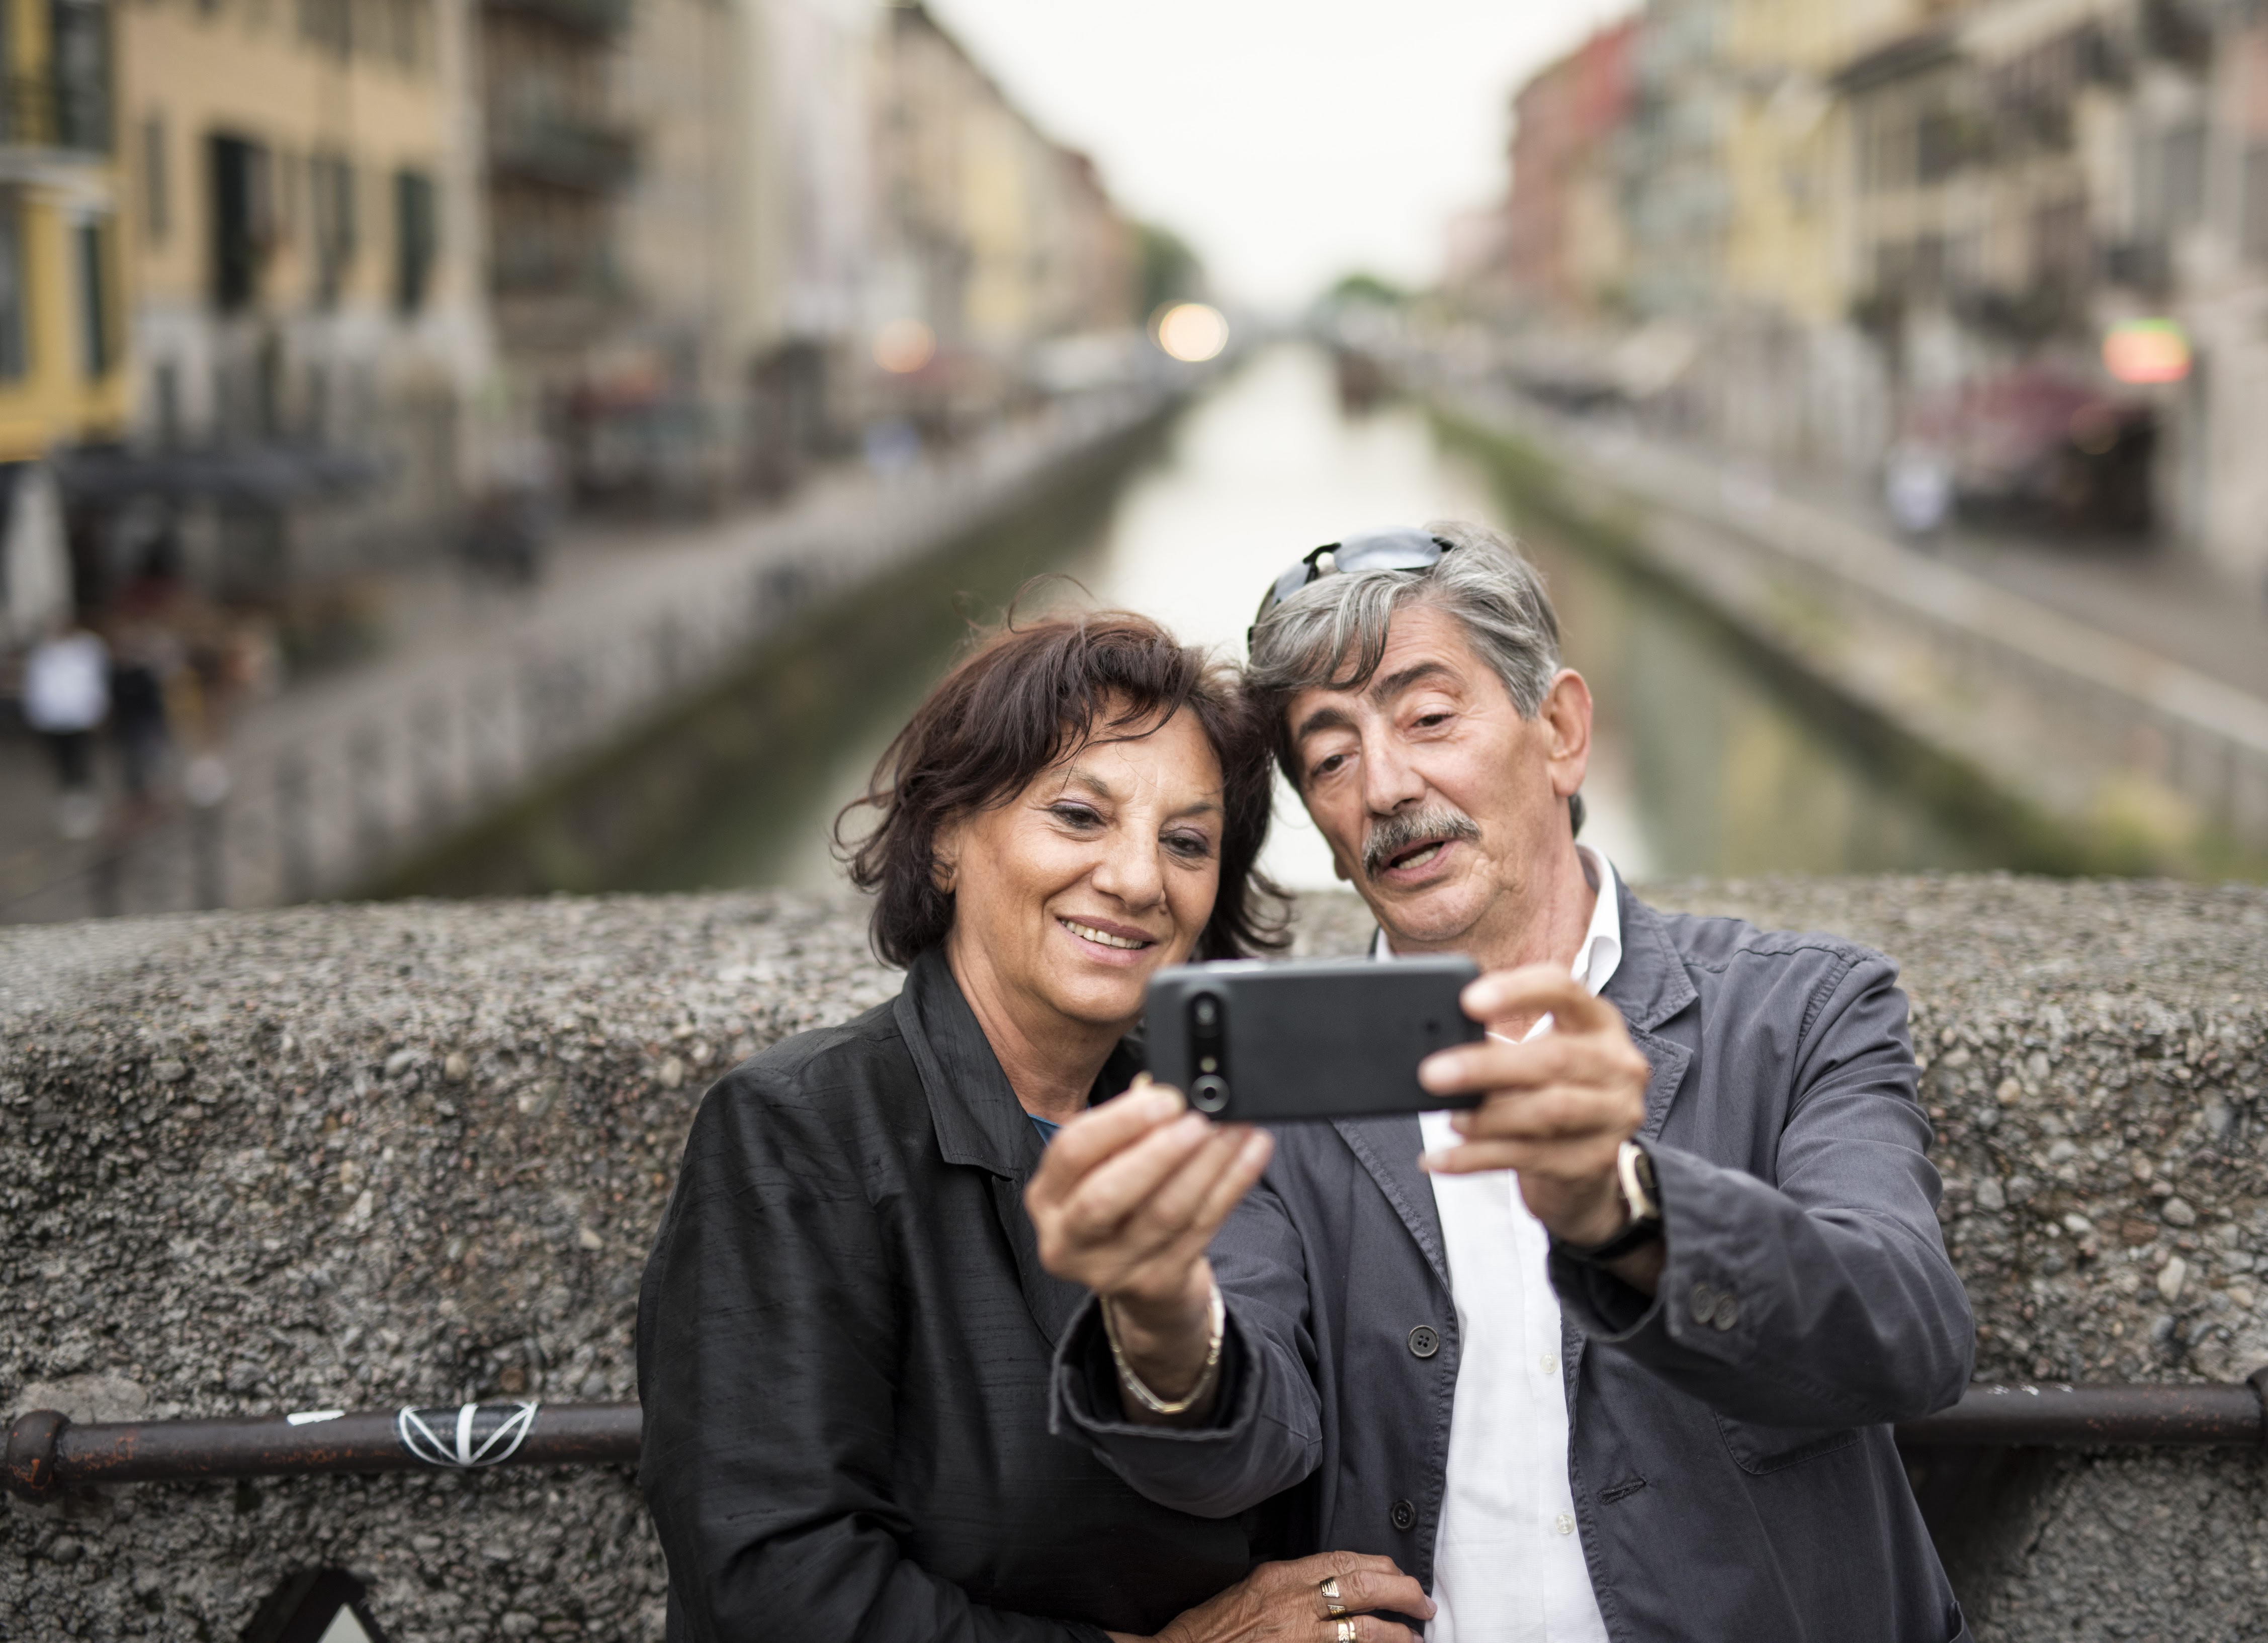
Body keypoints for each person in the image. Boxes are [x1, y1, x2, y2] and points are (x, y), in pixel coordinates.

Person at [1030, 526, 1977, 1641]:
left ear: (1562, 730)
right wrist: (1155, 1312)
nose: (1385, 785)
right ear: (1323, 836)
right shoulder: (1273, 1079)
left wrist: (1628, 1208)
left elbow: (1907, 1335)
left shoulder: (1803, 1008)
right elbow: (1236, 1454)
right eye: (1330, 758)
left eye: (1429, 717)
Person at [635, 611, 1435, 1643]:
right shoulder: (799, 1130)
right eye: (1079, 815)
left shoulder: (1210, 1126)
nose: (1140, 878)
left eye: (1185, 840)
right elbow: (774, 1585)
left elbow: (1270, 1436)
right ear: (947, 838)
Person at [21, 612, 110, 839]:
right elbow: (36, 684)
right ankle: (69, 805)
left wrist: (97, 710)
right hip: (53, 719)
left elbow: (95, 680)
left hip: (79, 717)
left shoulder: (86, 648)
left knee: (80, 760)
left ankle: (84, 806)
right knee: (62, 763)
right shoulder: (44, 651)